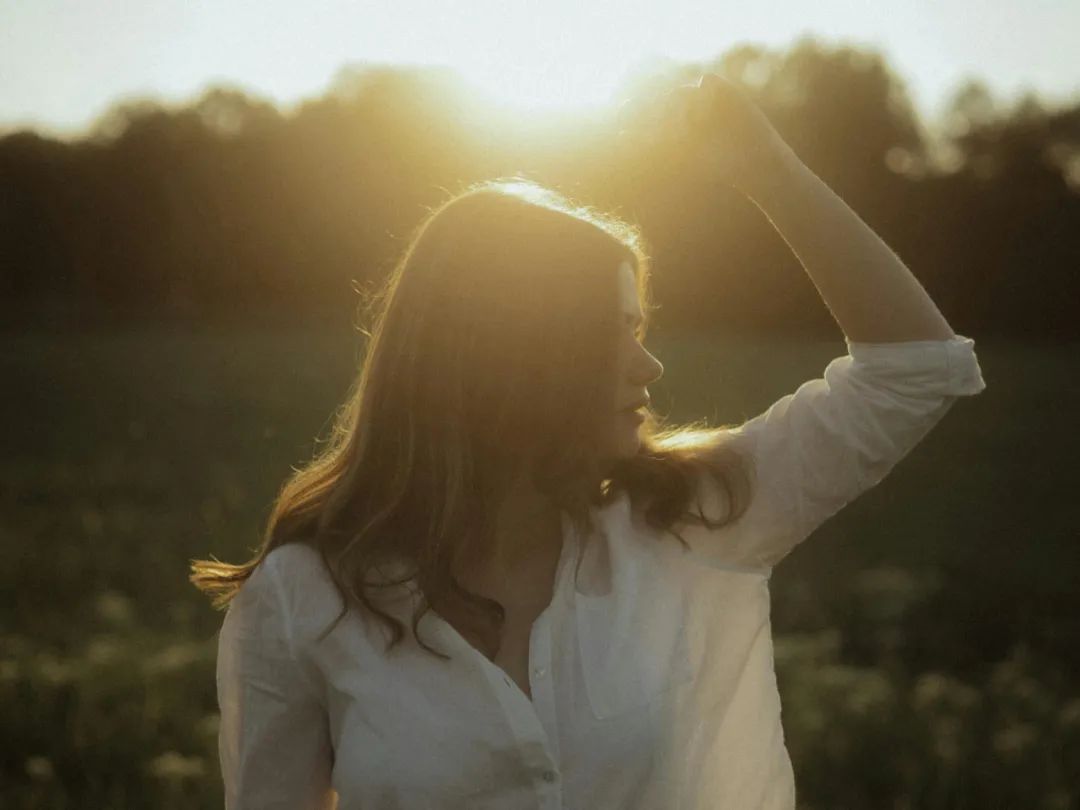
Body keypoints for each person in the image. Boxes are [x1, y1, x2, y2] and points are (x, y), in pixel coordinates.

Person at [190, 73, 987, 809]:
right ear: (510, 351)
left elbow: (913, 370)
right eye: (614, 334)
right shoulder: (301, 598)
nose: (649, 364)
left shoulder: (690, 522)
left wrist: (765, 168)